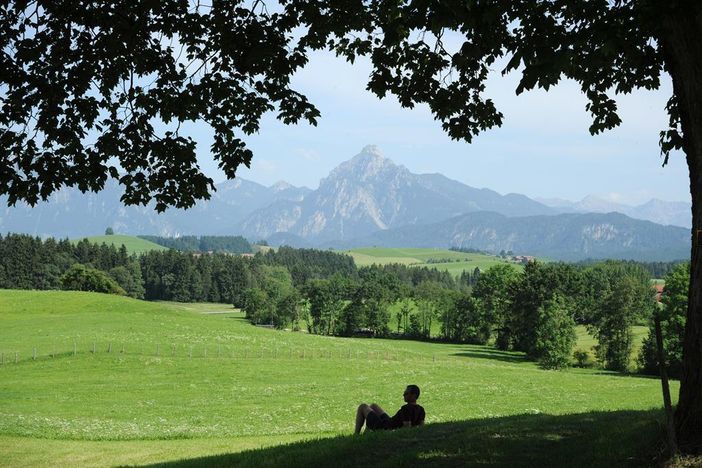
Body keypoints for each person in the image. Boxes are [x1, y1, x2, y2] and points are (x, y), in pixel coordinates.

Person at [354, 384, 425, 434]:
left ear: (413, 395)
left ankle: (356, 435)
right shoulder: (421, 409)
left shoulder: (406, 408)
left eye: (406, 393)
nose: (403, 395)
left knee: (362, 407)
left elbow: (406, 428)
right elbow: (422, 427)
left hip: (384, 428)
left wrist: (391, 432)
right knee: (373, 406)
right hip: (389, 422)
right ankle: (367, 433)